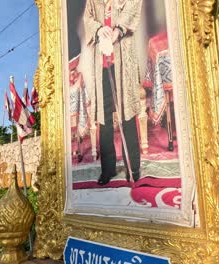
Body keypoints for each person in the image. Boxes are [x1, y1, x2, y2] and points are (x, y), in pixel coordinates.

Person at [83, 0, 142, 185]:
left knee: (127, 114)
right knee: (105, 119)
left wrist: (119, 30)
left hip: (122, 59)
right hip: (102, 64)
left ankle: (133, 167)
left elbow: (134, 6)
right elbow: (88, 17)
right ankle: (107, 169)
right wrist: (99, 29)